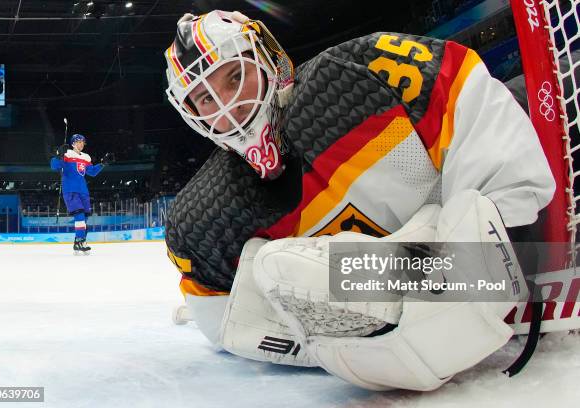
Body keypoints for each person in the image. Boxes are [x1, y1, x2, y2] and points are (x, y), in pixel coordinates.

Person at [163, 11, 555, 391]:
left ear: (267, 59)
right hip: (424, 277)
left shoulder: (360, 75)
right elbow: (230, 324)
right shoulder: (203, 219)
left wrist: (471, 263)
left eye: (235, 76)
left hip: (539, 125)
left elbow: (493, 152)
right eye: (206, 98)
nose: (229, 105)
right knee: (275, 271)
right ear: (191, 114)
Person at [50, 134, 113, 254]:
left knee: (84, 218)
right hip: (70, 190)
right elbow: (54, 166)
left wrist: (103, 164)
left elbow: (92, 172)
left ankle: (77, 243)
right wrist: (58, 155)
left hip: (83, 191)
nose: (81, 144)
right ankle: (81, 241)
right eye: (78, 142)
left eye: (83, 142)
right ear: (73, 143)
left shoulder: (86, 157)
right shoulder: (66, 154)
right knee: (79, 215)